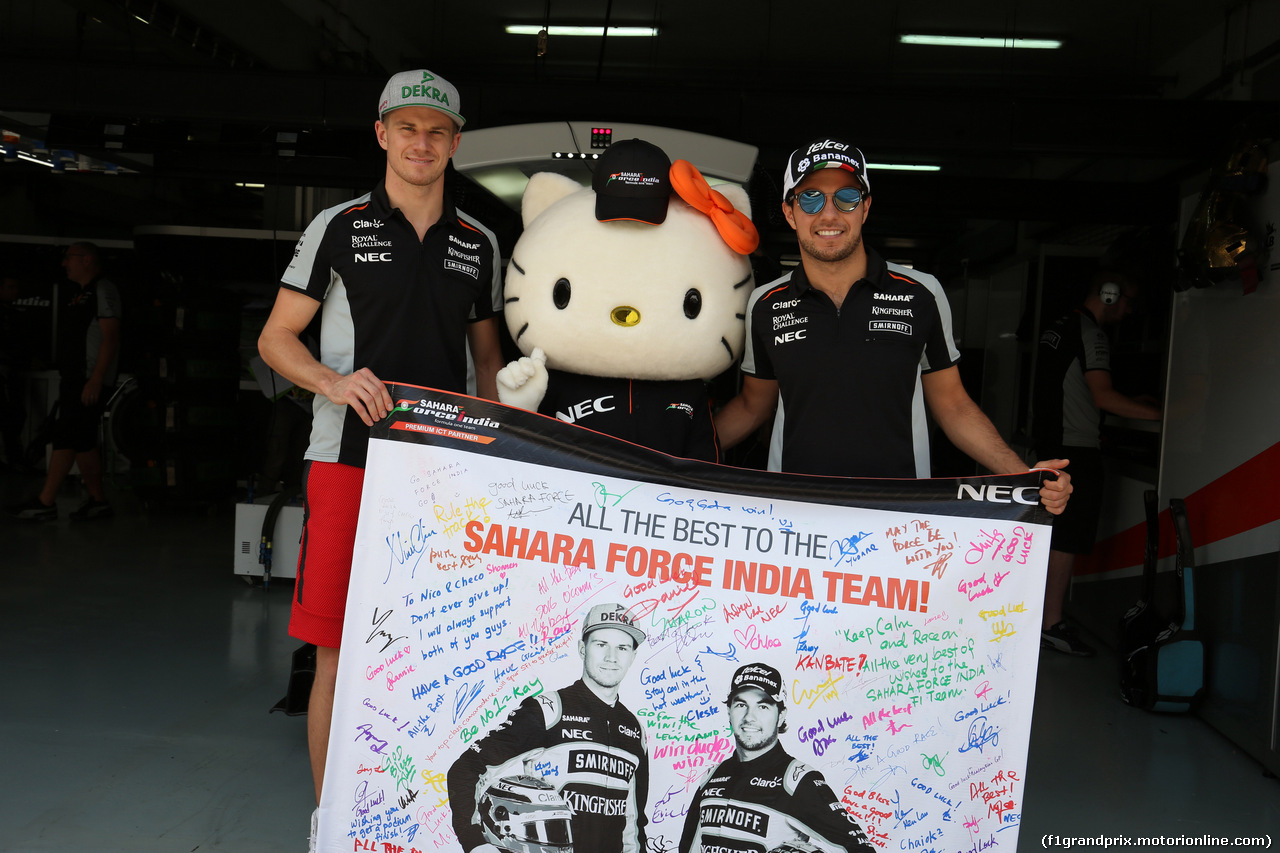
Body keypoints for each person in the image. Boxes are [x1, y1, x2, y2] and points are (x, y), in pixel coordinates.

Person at [256, 68, 506, 840]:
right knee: (335, 651)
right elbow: (274, 339)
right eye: (407, 127)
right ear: (381, 135)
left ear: (455, 142)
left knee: (433, 650)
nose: (421, 142)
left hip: (444, 478)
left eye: (436, 130)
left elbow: (490, 366)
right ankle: (331, 820)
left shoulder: (480, 243)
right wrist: (333, 380)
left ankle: (417, 812)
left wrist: (501, 454)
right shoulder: (336, 224)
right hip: (347, 466)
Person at [713, 136, 1071, 515]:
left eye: (847, 198)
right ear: (790, 212)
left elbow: (952, 406)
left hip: (897, 519)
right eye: (811, 198)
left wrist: (1024, 475)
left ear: (865, 208)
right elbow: (754, 405)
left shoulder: (922, 293)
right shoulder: (766, 303)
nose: (829, 214)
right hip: (797, 516)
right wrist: (670, 454)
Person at [448, 603, 650, 853]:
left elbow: (634, 824)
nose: (611, 657)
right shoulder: (548, 709)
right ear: (582, 649)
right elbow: (466, 769)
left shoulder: (635, 730)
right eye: (601, 644)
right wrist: (476, 844)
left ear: (633, 656)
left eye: (622, 647)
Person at [1033, 272, 1161, 656]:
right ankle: (1051, 624)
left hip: (1051, 444)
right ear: (1109, 295)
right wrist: (1165, 414)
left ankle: (1040, 619)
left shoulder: (1058, 326)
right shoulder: (1092, 334)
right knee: (1066, 538)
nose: (1129, 309)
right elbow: (1102, 397)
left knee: (1053, 534)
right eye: (1127, 300)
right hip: (1076, 450)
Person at [678, 663, 873, 853]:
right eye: (740, 704)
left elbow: (861, 849)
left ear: (780, 715)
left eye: (763, 706)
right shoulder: (712, 777)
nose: (749, 717)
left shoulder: (797, 780)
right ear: (729, 712)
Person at [8, 243, 121, 521]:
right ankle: (98, 502)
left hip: (88, 381)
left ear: (86, 259)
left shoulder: (103, 289)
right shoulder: (79, 293)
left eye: (68, 258)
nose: (63, 264)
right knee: (81, 440)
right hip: (75, 379)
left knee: (65, 436)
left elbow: (111, 337)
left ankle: (46, 502)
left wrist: (95, 380)